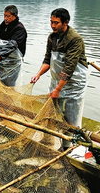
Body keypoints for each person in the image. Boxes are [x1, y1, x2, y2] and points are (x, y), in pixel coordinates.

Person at [31, 8, 88, 149]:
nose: (53, 25)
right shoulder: (52, 37)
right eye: (51, 22)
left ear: (66, 22)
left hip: (74, 83)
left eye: (56, 23)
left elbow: (69, 68)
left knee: (72, 116)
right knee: (54, 112)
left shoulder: (75, 39)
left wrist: (58, 89)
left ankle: (71, 147)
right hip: (57, 81)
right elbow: (47, 60)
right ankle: (54, 140)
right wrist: (38, 74)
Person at [0, 5, 27, 86]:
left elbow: (11, 46)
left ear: (15, 16)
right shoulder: (3, 25)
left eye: (8, 16)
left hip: (12, 64)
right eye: (4, 16)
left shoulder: (20, 29)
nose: (5, 18)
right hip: (0, 61)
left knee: (8, 86)